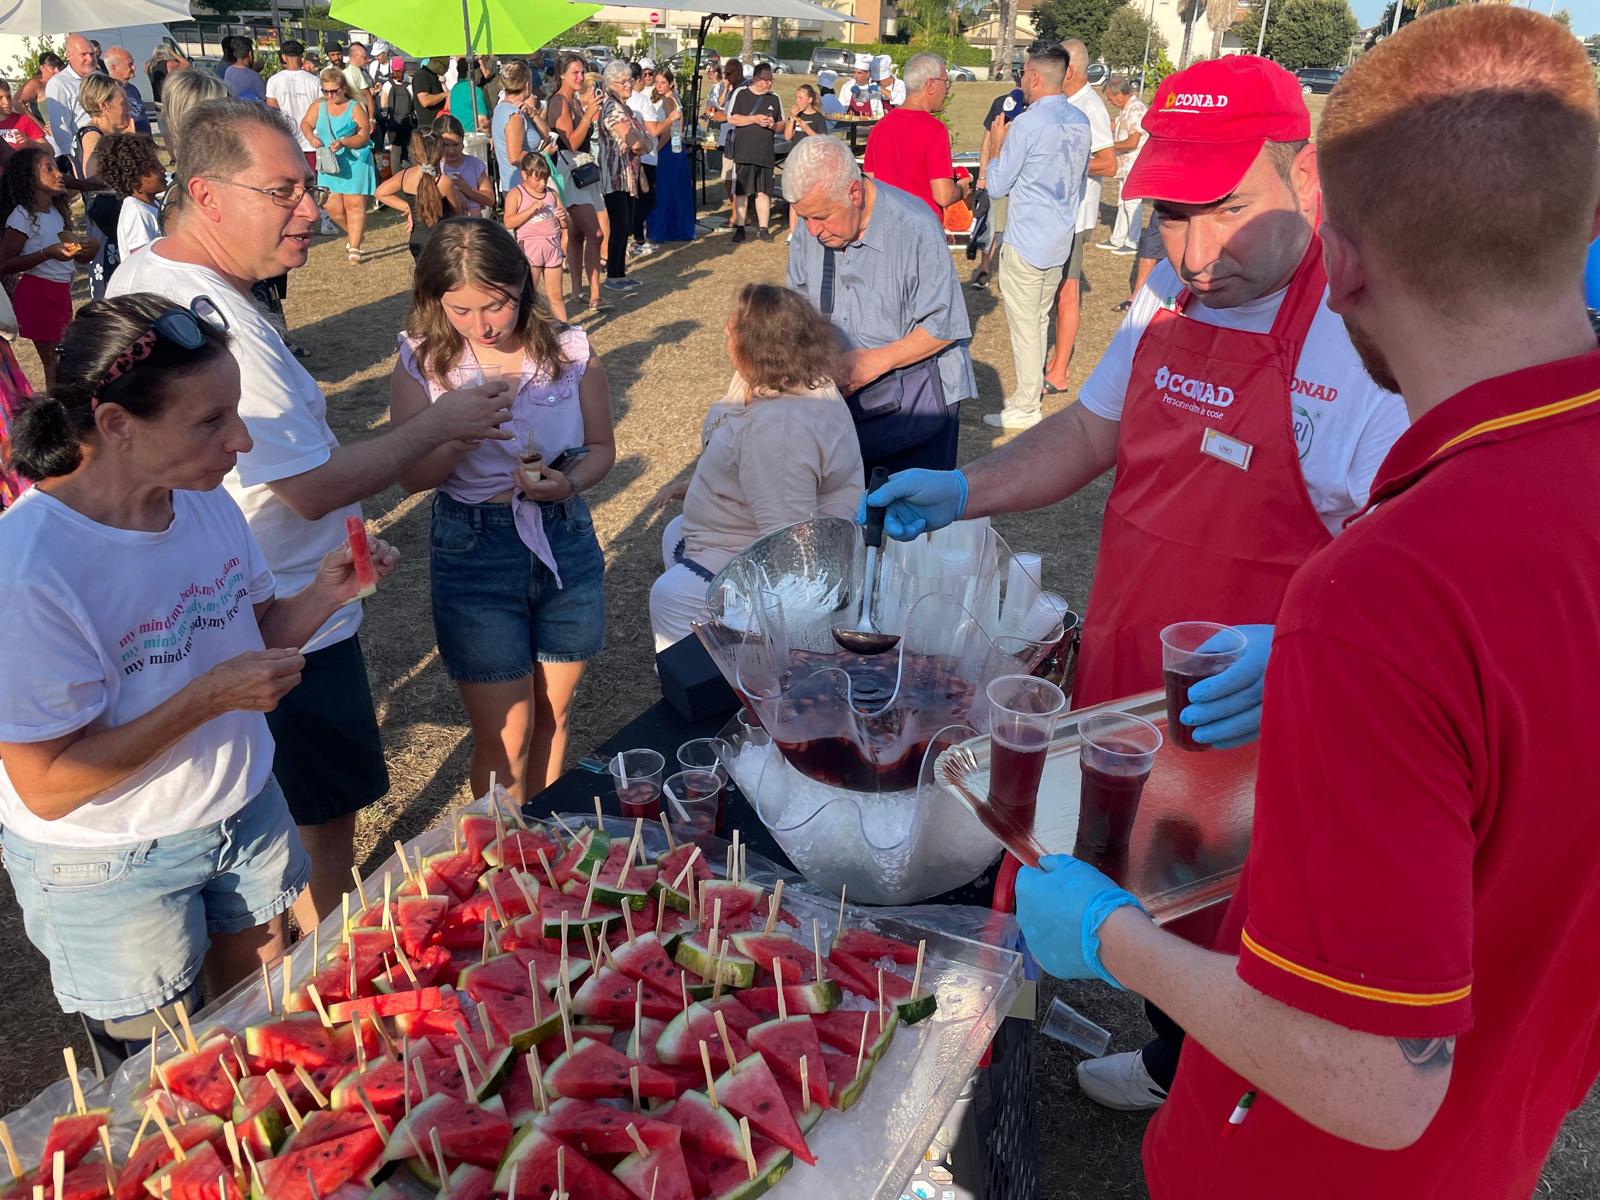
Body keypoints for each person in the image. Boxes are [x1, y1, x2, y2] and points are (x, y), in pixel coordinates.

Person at [1019, 10, 1600, 1197]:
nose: (1194, 252)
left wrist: (1108, 936)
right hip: (1498, 1133)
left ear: (1338, 255)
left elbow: (1375, 1080)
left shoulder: (1381, 592)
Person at [865, 54, 1412, 1110]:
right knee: (1136, 882)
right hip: (1128, 678)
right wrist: (966, 488)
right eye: (1172, 215)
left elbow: (1405, 555)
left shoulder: (1355, 339)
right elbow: (1089, 431)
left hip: (1253, 714)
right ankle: (1173, 1057)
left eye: (1229, 211)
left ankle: (1220, 1097)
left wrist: (1300, 651)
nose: (1197, 255)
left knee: (1242, 922)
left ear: (1301, 176)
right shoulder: (1161, 294)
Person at [109, 98, 515, 928]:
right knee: (317, 817)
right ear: (207, 195)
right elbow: (309, 486)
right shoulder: (208, 316)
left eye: (309, 186)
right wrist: (443, 423)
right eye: (283, 191)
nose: (310, 209)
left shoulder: (161, 278)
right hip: (283, 613)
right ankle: (321, 959)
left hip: (269, 598)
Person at [0, 293, 398, 1064]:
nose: (240, 440)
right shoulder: (28, 571)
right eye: (211, 420)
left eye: (236, 412)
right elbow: (47, 784)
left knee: (262, 1042)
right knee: (161, 1079)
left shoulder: (203, 504)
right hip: (113, 864)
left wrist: (325, 594)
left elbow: (252, 638)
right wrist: (206, 700)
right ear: (117, 424)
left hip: (241, 811)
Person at [389, 217, 614, 801]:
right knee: (507, 733)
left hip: (563, 539)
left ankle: (540, 844)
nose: (481, 325)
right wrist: (458, 434)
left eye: (496, 305)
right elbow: (411, 477)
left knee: (554, 715)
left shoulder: (569, 350)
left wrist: (567, 486)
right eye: (460, 310)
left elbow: (601, 448)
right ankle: (499, 850)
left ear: (522, 285)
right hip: (474, 548)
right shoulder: (422, 360)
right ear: (435, 301)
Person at [649, 284, 865, 650]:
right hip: (741, 535)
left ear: (759, 344)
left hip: (768, 564)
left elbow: (790, 545)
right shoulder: (785, 378)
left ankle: (713, 671)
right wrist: (698, 487)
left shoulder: (780, 430)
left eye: (735, 325)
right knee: (675, 532)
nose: (725, 328)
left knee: (670, 595)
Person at [784, 135, 974, 479]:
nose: (812, 231)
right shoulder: (810, 229)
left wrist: (872, 362)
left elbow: (946, 325)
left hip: (916, 406)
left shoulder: (915, 227)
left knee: (908, 510)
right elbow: (798, 308)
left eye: (821, 217)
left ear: (854, 193)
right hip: (842, 405)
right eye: (804, 217)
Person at [985, 42, 1089, 431]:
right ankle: (1027, 395)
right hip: (1058, 238)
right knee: (1038, 320)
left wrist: (997, 149)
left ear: (1034, 77)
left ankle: (1027, 405)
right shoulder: (1080, 120)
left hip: (1027, 239)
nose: (1021, 81)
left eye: (1023, 74)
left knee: (1026, 326)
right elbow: (1079, 180)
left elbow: (997, 186)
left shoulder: (1028, 124)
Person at [1041, 38, 1116, 394]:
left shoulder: (1090, 107)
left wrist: (1064, 161)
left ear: (1069, 70)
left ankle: (1059, 372)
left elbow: (1108, 163)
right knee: (1056, 291)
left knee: (1067, 293)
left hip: (1075, 217)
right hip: (1057, 214)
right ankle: (1052, 362)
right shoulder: (1066, 102)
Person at [0, 147, 97, 386]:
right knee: (54, 360)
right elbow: (6, 264)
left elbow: (75, 259)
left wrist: (88, 249)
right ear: (29, 177)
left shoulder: (56, 212)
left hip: (60, 292)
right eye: (49, 169)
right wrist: (47, 253)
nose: (59, 174)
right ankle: (59, 402)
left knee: (63, 356)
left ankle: (64, 399)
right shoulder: (22, 216)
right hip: (38, 294)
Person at [862, 52, 966, 219]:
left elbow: (870, 183)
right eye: (945, 82)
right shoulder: (935, 130)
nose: (946, 90)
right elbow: (943, 195)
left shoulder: (880, 127)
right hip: (922, 225)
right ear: (930, 84)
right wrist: (962, 188)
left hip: (886, 222)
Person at [548, 52, 607, 313]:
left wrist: (590, 114)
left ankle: (577, 291)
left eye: (582, 71)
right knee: (596, 233)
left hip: (582, 169)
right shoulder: (559, 101)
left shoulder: (572, 99)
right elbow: (570, 141)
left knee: (577, 234)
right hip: (570, 171)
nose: (581, 77)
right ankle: (595, 295)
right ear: (562, 74)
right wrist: (588, 116)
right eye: (575, 72)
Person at [303, 69, 376, 265]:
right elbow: (306, 123)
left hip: (354, 161)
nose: (330, 95)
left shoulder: (355, 107)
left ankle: (354, 248)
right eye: (325, 91)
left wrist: (344, 142)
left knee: (355, 205)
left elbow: (364, 137)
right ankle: (355, 234)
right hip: (329, 163)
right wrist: (311, 138)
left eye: (333, 91)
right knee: (331, 206)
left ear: (343, 89)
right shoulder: (319, 106)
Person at [597, 61, 653, 295]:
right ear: (611, 84)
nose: (629, 85)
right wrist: (640, 143)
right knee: (619, 226)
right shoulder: (612, 108)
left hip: (627, 175)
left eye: (629, 80)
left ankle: (620, 273)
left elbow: (646, 141)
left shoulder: (624, 107)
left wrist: (641, 143)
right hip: (615, 175)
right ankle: (613, 275)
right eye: (623, 82)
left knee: (625, 225)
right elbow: (637, 143)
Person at [265, 40, 331, 235]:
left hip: (287, 140)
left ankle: (294, 217)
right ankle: (323, 219)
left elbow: (272, 111)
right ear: (302, 57)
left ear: (284, 57)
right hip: (311, 139)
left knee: (289, 183)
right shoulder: (313, 81)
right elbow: (321, 109)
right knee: (314, 182)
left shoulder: (274, 80)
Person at [72, 73, 126, 296]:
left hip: (104, 220)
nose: (127, 109)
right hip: (105, 223)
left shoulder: (98, 134)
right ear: (104, 106)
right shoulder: (93, 136)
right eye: (122, 103)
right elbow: (93, 178)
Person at [970, 84, 1027, 289]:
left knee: (1016, 226)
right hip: (999, 172)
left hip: (1023, 178)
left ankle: (1011, 273)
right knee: (993, 223)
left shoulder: (1035, 110)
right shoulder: (1000, 103)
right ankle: (984, 268)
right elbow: (988, 141)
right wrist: (982, 175)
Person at [376, 128, 464, 260]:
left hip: (416, 241)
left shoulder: (405, 175)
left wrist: (408, 207)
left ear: (414, 151)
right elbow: (457, 210)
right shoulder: (443, 182)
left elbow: (380, 193)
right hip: (441, 239)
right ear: (440, 152)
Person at [503, 151, 567, 319]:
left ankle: (564, 327)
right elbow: (508, 222)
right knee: (528, 294)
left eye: (545, 178)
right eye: (537, 179)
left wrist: (563, 217)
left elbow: (565, 224)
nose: (542, 183)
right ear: (524, 175)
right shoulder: (516, 194)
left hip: (552, 247)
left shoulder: (552, 194)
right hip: (530, 248)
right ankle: (524, 327)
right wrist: (530, 210)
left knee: (556, 295)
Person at [726, 62, 781, 243]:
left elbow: (782, 124)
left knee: (763, 192)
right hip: (744, 151)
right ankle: (740, 228)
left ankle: (763, 228)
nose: (769, 83)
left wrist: (773, 125)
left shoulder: (774, 98)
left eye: (771, 80)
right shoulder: (741, 94)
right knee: (742, 191)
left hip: (765, 152)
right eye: (766, 80)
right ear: (756, 78)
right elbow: (732, 119)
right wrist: (755, 119)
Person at [1099, 74, 1147, 253]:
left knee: (1132, 203)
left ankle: (1132, 242)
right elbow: (1115, 126)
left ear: (1119, 94)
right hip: (1126, 165)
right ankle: (1118, 239)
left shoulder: (1136, 109)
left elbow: (1132, 142)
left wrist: (1108, 147)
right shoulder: (1126, 109)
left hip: (1136, 164)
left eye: (1110, 98)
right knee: (1123, 202)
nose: (1110, 102)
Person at [646, 67, 693, 245]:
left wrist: (656, 150)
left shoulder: (668, 101)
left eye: (663, 82)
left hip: (667, 149)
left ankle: (661, 229)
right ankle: (676, 227)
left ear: (671, 83)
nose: (659, 86)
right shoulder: (675, 99)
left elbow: (668, 131)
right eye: (657, 82)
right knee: (676, 190)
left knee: (664, 191)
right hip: (676, 148)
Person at [626, 60, 667, 260]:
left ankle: (638, 237)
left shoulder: (617, 99)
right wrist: (671, 118)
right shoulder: (641, 101)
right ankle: (637, 238)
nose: (647, 80)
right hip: (645, 156)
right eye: (645, 76)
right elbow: (654, 130)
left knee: (636, 199)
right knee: (646, 200)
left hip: (629, 157)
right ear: (638, 79)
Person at [99, 132, 164, 259]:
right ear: (134, 177)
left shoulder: (152, 204)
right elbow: (141, 260)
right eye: (154, 167)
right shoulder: (137, 213)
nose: (163, 169)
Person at [491, 60, 541, 197]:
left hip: (513, 184)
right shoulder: (514, 115)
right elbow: (515, 157)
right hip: (523, 187)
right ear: (527, 85)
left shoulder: (501, 108)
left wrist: (533, 114)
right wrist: (542, 155)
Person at [44, 34, 96, 163]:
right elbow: (60, 129)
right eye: (83, 54)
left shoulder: (99, 78)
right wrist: (76, 159)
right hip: (82, 154)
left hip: (104, 147)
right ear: (69, 55)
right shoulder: (59, 84)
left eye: (92, 54)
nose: (90, 59)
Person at [437, 114, 494, 216]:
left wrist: (468, 190)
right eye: (445, 145)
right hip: (448, 222)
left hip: (474, 222)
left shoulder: (474, 164)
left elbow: (490, 199)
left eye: (455, 144)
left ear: (462, 142)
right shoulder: (436, 168)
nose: (451, 151)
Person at [379, 56, 418, 176]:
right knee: (412, 151)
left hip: (393, 123)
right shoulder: (409, 86)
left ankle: (396, 178)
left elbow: (383, 105)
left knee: (395, 152)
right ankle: (416, 176)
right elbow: (414, 106)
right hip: (408, 123)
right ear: (404, 68)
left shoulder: (387, 85)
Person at [103, 47, 151, 136]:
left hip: (144, 140)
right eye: (129, 64)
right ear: (114, 68)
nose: (134, 68)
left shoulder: (132, 89)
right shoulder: (108, 92)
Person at [0, 79, 50, 150]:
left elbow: (50, 150)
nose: (7, 102)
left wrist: (30, 143)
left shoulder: (24, 120)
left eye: (8, 97)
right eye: (0, 98)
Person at [16, 53, 62, 131]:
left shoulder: (58, 82)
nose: (57, 71)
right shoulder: (36, 84)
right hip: (49, 134)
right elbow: (17, 102)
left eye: (58, 67)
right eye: (53, 68)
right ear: (42, 68)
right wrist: (39, 125)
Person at [222, 37, 267, 104]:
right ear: (250, 54)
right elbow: (263, 100)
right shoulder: (255, 77)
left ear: (234, 54)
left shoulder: (228, 70)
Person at [449, 58, 490, 133]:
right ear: (471, 73)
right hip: (474, 135)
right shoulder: (475, 91)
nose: (481, 75)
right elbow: (483, 123)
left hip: (458, 134)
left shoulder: (454, 89)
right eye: (479, 71)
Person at [412, 56, 449, 130]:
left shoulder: (434, 76)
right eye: (444, 66)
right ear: (437, 63)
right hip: (428, 128)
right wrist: (445, 94)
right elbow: (425, 101)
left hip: (438, 126)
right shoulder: (421, 75)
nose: (446, 69)